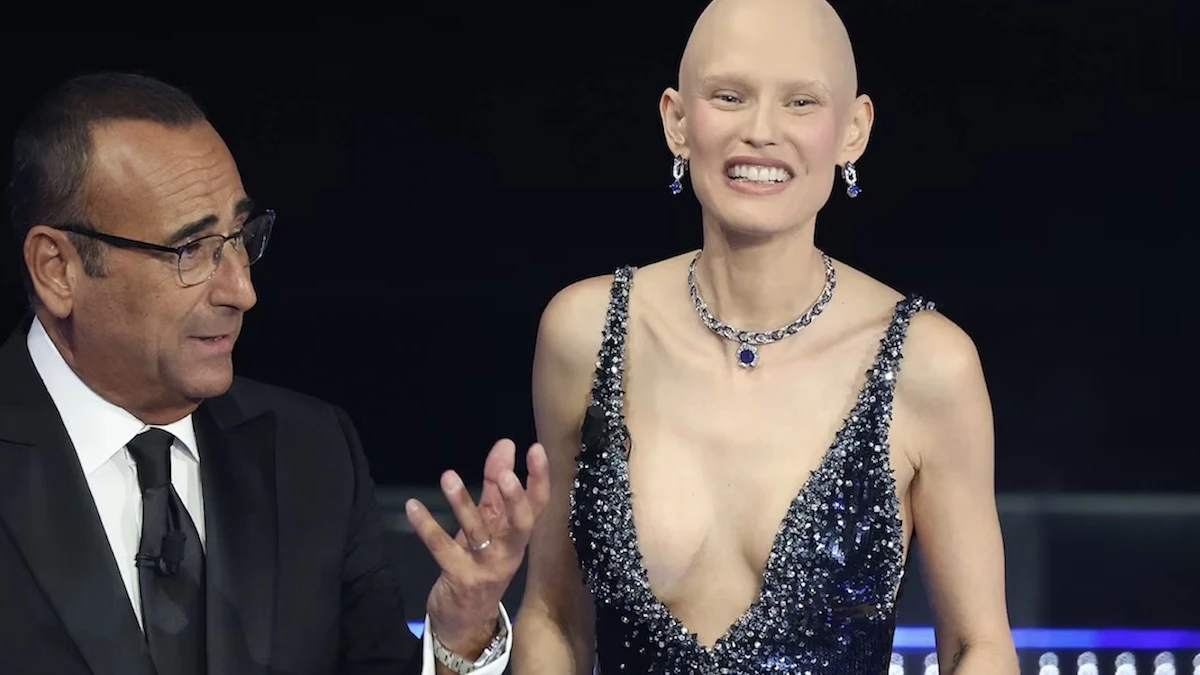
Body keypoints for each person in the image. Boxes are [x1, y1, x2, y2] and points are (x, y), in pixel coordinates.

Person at [512, 0, 1018, 673]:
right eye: (729, 96)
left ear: (853, 131)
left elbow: (976, 644)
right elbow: (552, 614)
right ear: (677, 120)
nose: (760, 131)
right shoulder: (586, 331)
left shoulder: (929, 364)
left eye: (801, 102)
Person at [0, 71, 549, 675]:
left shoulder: (311, 453)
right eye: (190, 250)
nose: (242, 290)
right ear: (57, 269)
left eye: (240, 238)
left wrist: (458, 642)